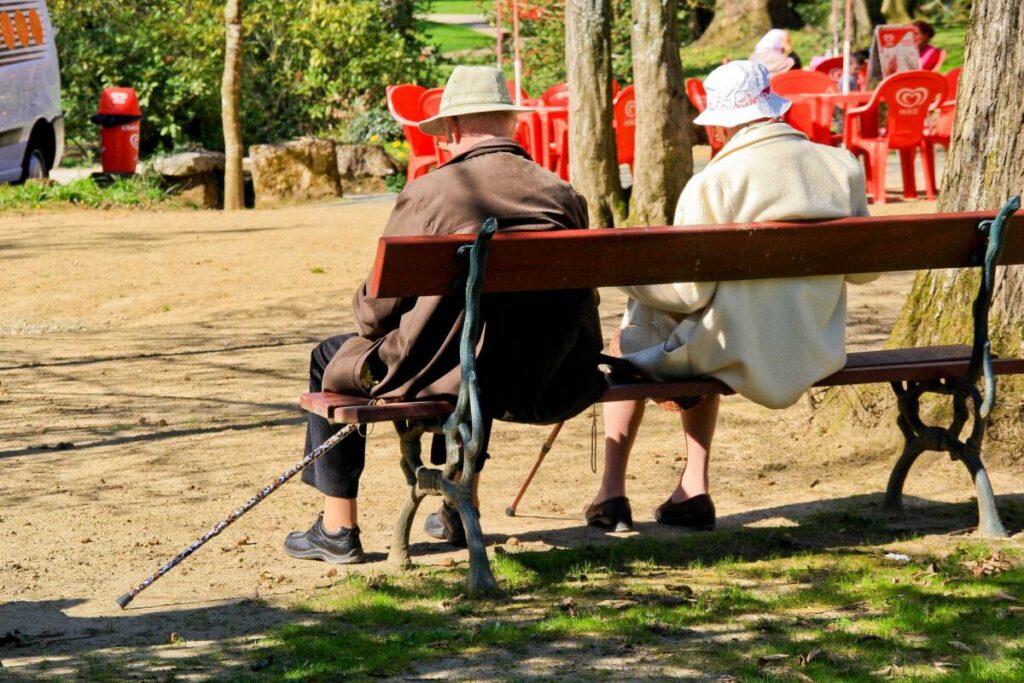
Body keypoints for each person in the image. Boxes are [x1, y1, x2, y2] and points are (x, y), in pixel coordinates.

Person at [285, 66, 606, 564]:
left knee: (333, 355)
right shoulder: (560, 193)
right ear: (511, 125)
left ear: (452, 130)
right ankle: (460, 508)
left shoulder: (431, 193)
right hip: (544, 375)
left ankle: (336, 526)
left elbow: (374, 315)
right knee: (485, 341)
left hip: (456, 374)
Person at [584, 61, 877, 533]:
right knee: (697, 326)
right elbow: (867, 271)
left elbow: (685, 294)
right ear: (772, 107)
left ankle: (612, 492)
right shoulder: (840, 163)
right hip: (816, 349)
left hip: (734, 352)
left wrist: (630, 278)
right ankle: (691, 489)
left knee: (636, 332)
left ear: (720, 124)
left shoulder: (715, 182)